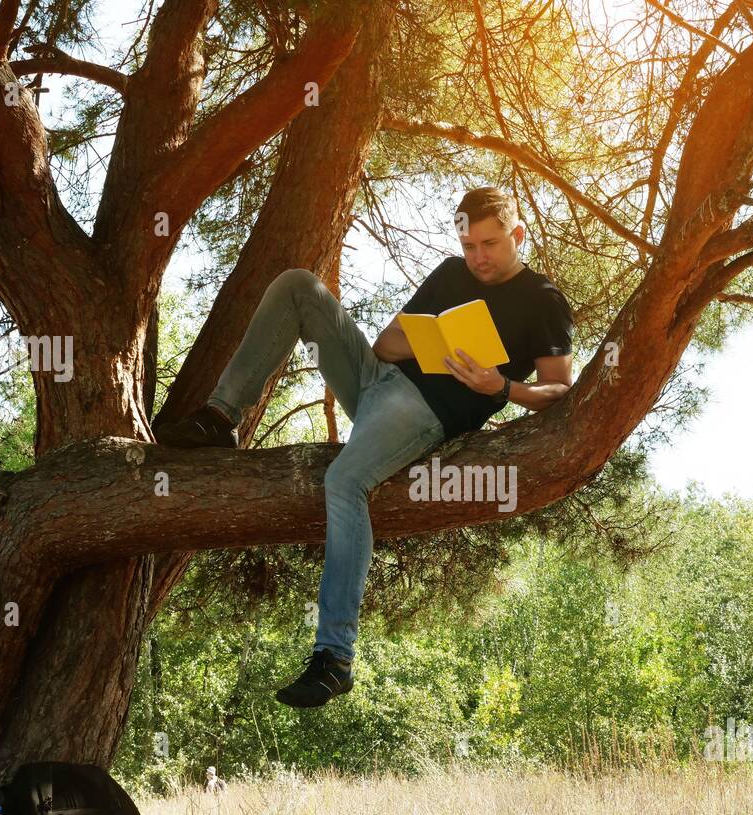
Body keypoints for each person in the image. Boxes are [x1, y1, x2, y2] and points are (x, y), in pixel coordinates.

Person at [156, 187, 575, 707]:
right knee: (298, 286)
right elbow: (386, 345)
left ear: (518, 234)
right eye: (468, 245)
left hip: (424, 409)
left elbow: (559, 390)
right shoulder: (450, 274)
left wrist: (502, 388)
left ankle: (334, 656)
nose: (478, 257)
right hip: (375, 381)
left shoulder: (543, 299)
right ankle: (222, 416)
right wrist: (442, 344)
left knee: (345, 481)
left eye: (488, 244)